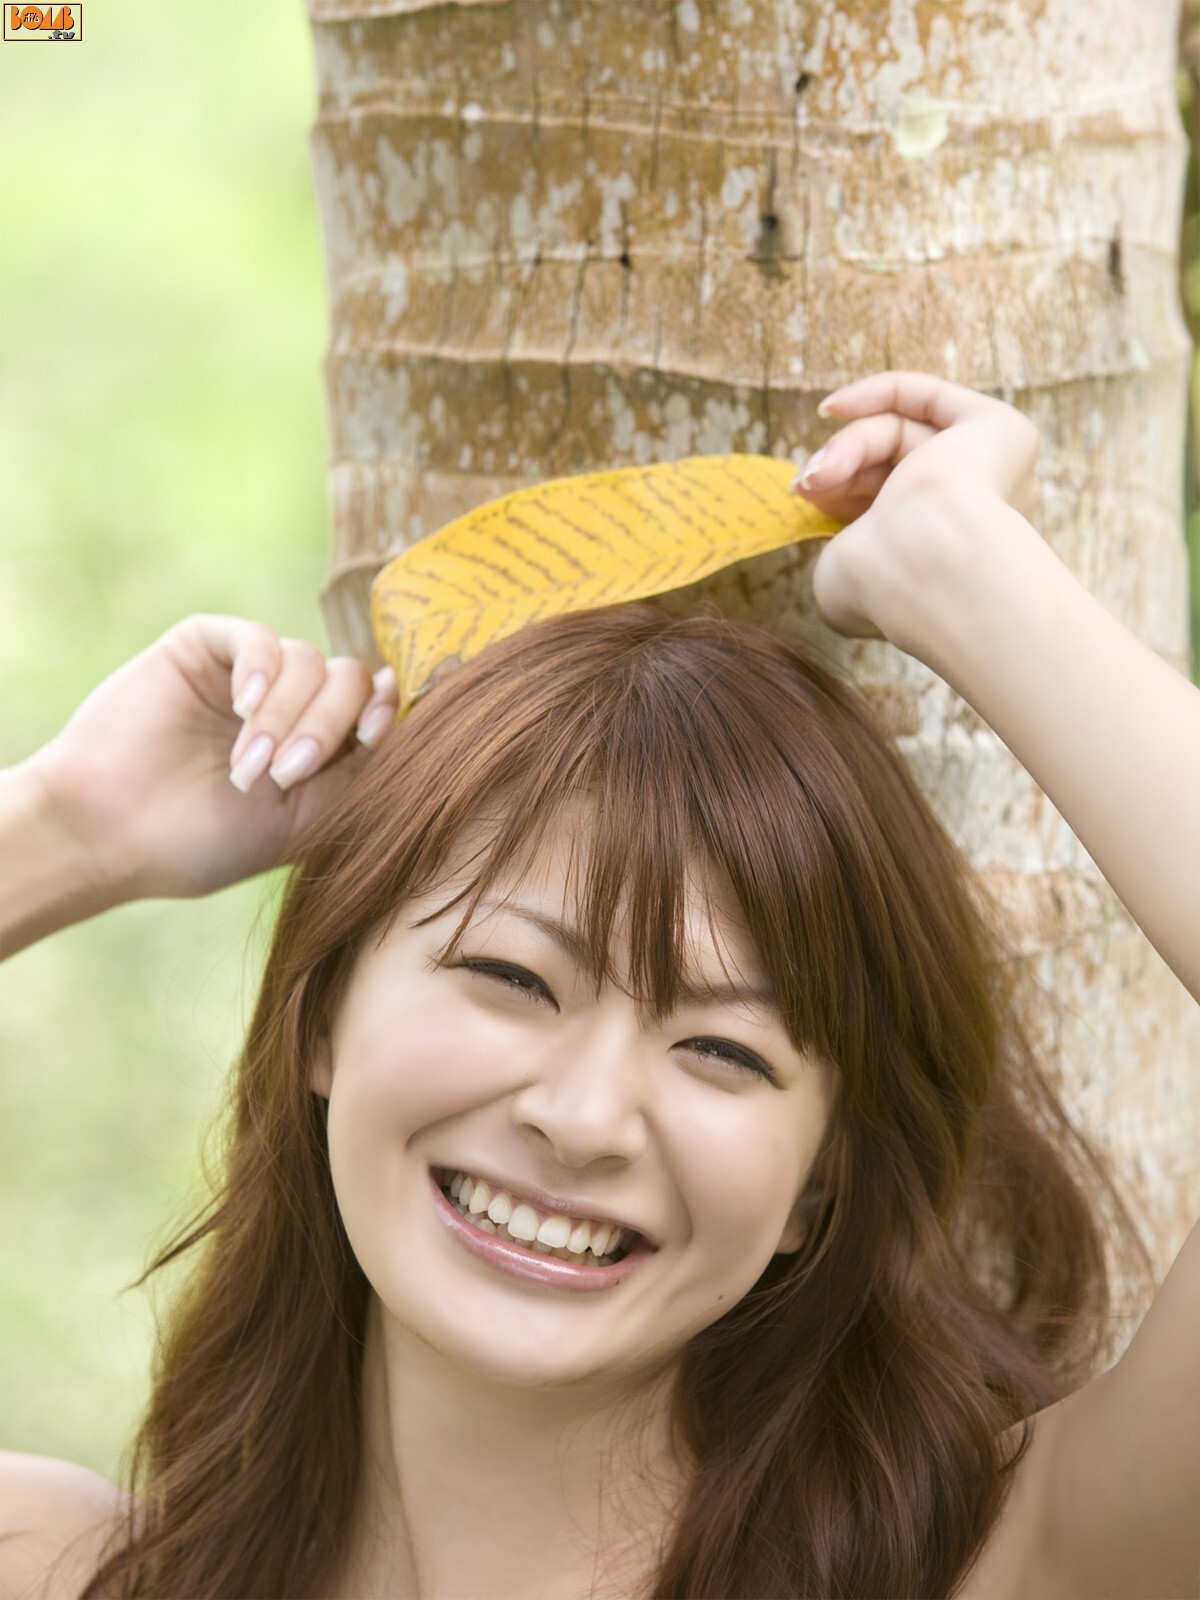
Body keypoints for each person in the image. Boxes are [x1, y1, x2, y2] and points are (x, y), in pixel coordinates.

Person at [1, 372, 1196, 1600]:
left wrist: (968, 571)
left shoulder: (1000, 1565)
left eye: (725, 1052)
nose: (577, 1120)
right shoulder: (69, 1571)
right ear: (322, 1015)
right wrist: (63, 830)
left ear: (817, 1182)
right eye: (511, 975)